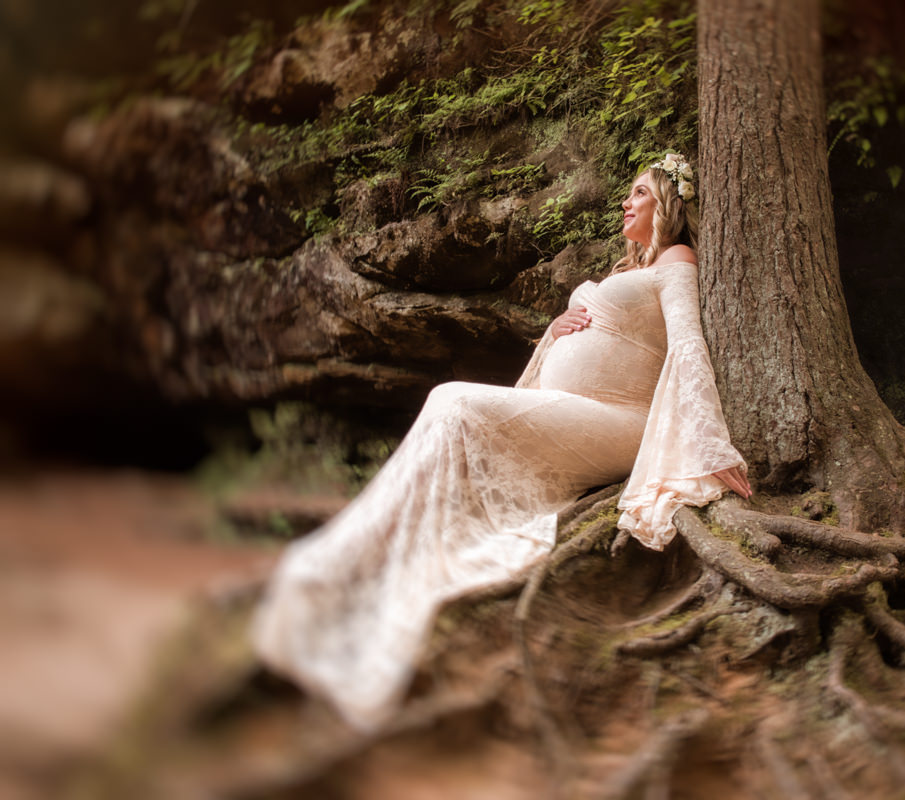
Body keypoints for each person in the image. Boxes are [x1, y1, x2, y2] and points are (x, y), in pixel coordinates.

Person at [253, 153, 751, 730]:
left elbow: (688, 347)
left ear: (667, 204)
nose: (625, 201)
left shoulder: (678, 261)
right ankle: (371, 557)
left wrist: (711, 445)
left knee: (453, 401)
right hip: (583, 411)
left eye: (638, 192)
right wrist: (555, 331)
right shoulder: (625, 268)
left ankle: (353, 555)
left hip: (623, 419)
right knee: (453, 418)